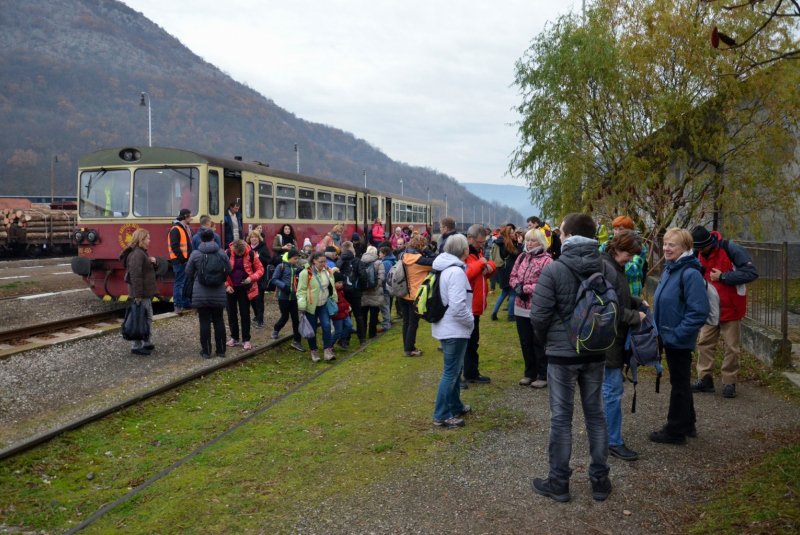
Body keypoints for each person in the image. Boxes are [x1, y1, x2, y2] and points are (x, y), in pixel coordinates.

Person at [530, 213, 626, 504]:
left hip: (562, 356)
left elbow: (539, 316)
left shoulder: (554, 270)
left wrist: (550, 341)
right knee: (596, 416)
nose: (557, 235)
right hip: (596, 351)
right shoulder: (606, 268)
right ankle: (600, 481)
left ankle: (559, 483)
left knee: (561, 419)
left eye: (559, 232)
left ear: (568, 235)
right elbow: (617, 310)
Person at [651, 228, 710, 445]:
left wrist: (677, 334)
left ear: (685, 248)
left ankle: (675, 431)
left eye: (672, 245)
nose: (666, 248)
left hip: (678, 338)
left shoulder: (690, 273)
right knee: (681, 382)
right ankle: (689, 424)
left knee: (679, 385)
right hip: (668, 335)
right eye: (665, 244)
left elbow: (699, 311)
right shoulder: (671, 268)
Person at [691, 226, 758, 399]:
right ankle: (704, 379)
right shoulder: (696, 252)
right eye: (696, 248)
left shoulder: (731, 249)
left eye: (700, 248)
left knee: (731, 347)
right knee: (705, 344)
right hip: (709, 308)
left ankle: (729, 382)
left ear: (709, 243)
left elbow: (752, 273)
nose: (698, 251)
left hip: (732, 307)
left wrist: (724, 277)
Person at [600, 231, 647, 461]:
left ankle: (605, 437)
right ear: (617, 248)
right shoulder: (607, 268)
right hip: (609, 341)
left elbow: (619, 298)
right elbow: (609, 309)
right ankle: (612, 441)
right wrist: (635, 316)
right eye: (628, 254)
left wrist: (637, 301)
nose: (630, 259)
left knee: (608, 390)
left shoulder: (612, 267)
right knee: (612, 391)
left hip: (612, 340)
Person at [431, 234, 474, 428]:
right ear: (464, 250)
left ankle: (455, 404)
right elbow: (457, 306)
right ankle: (441, 414)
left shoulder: (443, 267)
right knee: (451, 372)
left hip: (445, 326)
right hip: (454, 329)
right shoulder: (456, 272)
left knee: (456, 370)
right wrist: (470, 321)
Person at [509, 228, 552, 387]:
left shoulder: (547, 260)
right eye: (527, 240)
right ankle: (529, 373)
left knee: (538, 342)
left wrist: (525, 289)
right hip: (520, 306)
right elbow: (512, 276)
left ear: (540, 242)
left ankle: (543, 374)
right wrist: (516, 286)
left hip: (537, 307)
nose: (529, 243)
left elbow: (545, 283)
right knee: (525, 341)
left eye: (532, 240)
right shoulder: (521, 257)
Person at [185, 228, 232, 359]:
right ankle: (221, 350)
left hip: (201, 294)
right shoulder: (221, 253)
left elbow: (188, 273)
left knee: (204, 321)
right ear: (213, 238)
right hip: (218, 292)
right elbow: (229, 269)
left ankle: (206, 352)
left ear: (200, 240)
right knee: (218, 320)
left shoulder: (195, 254)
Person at [462, 225, 496, 385]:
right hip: (465, 305)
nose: (481, 245)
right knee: (463, 342)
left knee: (473, 341)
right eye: (479, 242)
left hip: (474, 305)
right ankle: (461, 375)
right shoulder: (461, 253)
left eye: (483, 242)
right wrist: (482, 264)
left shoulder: (476, 252)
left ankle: (471, 373)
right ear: (469, 238)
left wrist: (490, 267)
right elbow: (465, 274)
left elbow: (484, 267)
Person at [120, 229, 158, 355]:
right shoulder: (137, 255)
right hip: (142, 293)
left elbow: (147, 270)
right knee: (139, 318)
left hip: (145, 292)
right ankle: (137, 345)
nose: (149, 240)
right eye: (148, 238)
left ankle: (146, 341)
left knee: (147, 317)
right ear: (141, 240)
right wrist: (138, 295)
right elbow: (136, 276)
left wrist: (154, 262)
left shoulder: (142, 253)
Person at [224, 239, 264, 351]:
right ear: (234, 251)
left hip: (245, 289)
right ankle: (234, 337)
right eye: (238, 254)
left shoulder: (251, 253)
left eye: (241, 254)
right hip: (231, 288)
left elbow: (260, 269)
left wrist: (251, 279)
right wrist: (226, 285)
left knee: (245, 314)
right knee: (231, 313)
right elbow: (221, 271)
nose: (240, 255)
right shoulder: (227, 253)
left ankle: (246, 339)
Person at [297, 251, 337, 362]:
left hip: (324, 304)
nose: (323, 264)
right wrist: (302, 307)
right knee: (312, 330)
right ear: (314, 261)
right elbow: (301, 291)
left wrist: (334, 300)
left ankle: (327, 351)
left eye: (324, 261)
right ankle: (314, 351)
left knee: (327, 326)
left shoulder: (328, 271)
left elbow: (332, 287)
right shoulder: (305, 273)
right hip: (311, 306)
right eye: (320, 262)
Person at [399, 235, 435, 356]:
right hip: (414, 295)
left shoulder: (403, 255)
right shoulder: (419, 260)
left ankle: (407, 347)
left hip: (402, 293)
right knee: (413, 324)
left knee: (406, 322)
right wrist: (427, 250)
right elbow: (436, 261)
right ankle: (409, 349)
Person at [271, 249, 304, 352]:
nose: (296, 261)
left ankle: (297, 341)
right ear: (289, 258)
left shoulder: (296, 267)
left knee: (295, 319)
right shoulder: (281, 266)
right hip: (283, 297)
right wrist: (283, 286)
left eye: (297, 259)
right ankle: (276, 329)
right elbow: (274, 279)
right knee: (285, 316)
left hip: (294, 297)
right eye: (295, 259)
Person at [336, 241, 368, 346]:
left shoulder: (339, 262)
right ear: (350, 249)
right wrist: (362, 288)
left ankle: (346, 338)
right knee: (359, 315)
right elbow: (363, 275)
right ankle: (362, 338)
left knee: (346, 315)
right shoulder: (357, 261)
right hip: (355, 292)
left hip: (343, 292)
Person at [490, 225, 520, 321]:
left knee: (504, 292)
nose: (514, 234)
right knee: (512, 293)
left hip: (502, 270)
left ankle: (494, 312)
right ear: (507, 234)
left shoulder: (499, 242)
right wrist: (518, 244)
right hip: (509, 270)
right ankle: (511, 315)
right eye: (511, 233)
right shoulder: (508, 244)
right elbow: (517, 254)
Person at [168, 208, 193, 314]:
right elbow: (175, 246)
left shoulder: (184, 228)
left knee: (185, 282)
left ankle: (184, 302)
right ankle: (178, 305)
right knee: (180, 283)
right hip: (180, 261)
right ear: (185, 217)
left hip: (184, 261)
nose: (191, 219)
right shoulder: (176, 229)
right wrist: (183, 259)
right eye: (190, 216)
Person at [360, 245, 387, 338]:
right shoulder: (378, 263)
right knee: (374, 314)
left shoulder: (361, 261)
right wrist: (376, 286)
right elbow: (382, 276)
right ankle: (372, 333)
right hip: (375, 292)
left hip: (363, 291)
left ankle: (362, 334)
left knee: (363, 314)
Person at [247, 230, 271, 329]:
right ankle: (256, 315)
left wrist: (259, 257)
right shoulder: (247, 248)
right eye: (252, 237)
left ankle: (260, 320)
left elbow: (269, 261)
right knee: (251, 298)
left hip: (260, 277)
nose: (253, 239)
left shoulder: (263, 248)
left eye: (255, 237)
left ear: (259, 238)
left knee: (259, 298)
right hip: (249, 276)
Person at [331, 271, 353, 350]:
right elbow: (338, 303)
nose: (340, 284)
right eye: (338, 282)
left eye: (341, 282)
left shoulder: (341, 290)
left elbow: (343, 300)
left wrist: (348, 305)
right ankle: (330, 344)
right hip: (338, 314)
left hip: (344, 312)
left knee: (349, 325)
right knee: (338, 331)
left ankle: (342, 339)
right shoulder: (333, 292)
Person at [379, 246, 396, 332]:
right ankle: (387, 323)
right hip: (389, 287)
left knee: (385, 306)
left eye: (380, 253)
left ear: (384, 254)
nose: (379, 254)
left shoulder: (386, 263)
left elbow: (385, 276)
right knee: (386, 305)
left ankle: (386, 325)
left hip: (385, 288)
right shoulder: (391, 261)